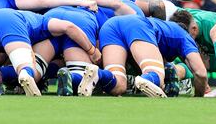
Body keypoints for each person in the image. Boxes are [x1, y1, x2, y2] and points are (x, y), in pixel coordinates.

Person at [77, 12, 208, 98]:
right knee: (157, 74)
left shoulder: (164, 27)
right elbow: (201, 73)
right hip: (137, 26)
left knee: (119, 85)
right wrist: (199, 96)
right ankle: (147, 78)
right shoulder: (185, 36)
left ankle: (98, 74)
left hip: (111, 26)